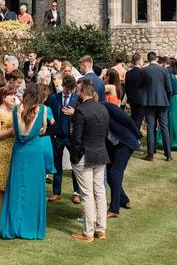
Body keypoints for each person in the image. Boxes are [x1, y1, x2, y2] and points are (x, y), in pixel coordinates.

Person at [0, 86, 55, 240]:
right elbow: (43, 129)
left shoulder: (17, 108)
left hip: (19, 151)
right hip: (35, 152)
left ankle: (14, 226)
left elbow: (17, 133)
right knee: (34, 189)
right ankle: (30, 227)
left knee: (16, 187)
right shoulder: (42, 110)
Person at [70, 81, 110, 242]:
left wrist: (75, 157)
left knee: (87, 194)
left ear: (82, 91)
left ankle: (88, 232)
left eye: (77, 90)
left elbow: (76, 138)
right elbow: (106, 132)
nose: (76, 93)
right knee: (99, 191)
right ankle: (100, 229)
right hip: (99, 152)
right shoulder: (102, 107)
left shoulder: (80, 111)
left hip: (85, 154)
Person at [103, 96, 141, 217]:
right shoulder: (90, 111)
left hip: (125, 142)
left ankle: (114, 209)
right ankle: (123, 199)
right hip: (111, 144)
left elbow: (127, 120)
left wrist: (137, 136)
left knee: (115, 172)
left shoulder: (107, 107)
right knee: (109, 173)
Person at [46, 75, 82, 203]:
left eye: (71, 90)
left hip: (72, 137)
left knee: (75, 164)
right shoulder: (53, 98)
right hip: (57, 136)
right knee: (57, 164)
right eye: (66, 89)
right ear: (62, 86)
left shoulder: (77, 99)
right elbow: (47, 111)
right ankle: (56, 192)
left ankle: (77, 192)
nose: (68, 92)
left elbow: (84, 115)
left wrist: (75, 112)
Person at [0, 85, 18, 222]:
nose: (14, 97)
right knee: (1, 184)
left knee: (11, 182)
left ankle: (9, 211)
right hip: (2, 150)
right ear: (3, 97)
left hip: (15, 149)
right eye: (10, 95)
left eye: (15, 94)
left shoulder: (15, 111)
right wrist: (11, 130)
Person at [141, 51, 173, 161]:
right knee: (164, 127)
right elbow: (169, 89)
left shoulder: (144, 70)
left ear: (148, 59)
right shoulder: (164, 70)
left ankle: (150, 154)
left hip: (149, 102)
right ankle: (168, 154)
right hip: (162, 102)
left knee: (151, 127)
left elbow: (141, 87)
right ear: (156, 59)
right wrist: (166, 100)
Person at [124, 53, 145, 130]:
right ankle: (135, 135)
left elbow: (126, 86)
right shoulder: (143, 72)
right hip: (141, 98)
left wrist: (129, 96)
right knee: (139, 118)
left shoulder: (128, 73)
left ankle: (133, 133)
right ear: (139, 61)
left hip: (132, 98)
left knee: (134, 116)